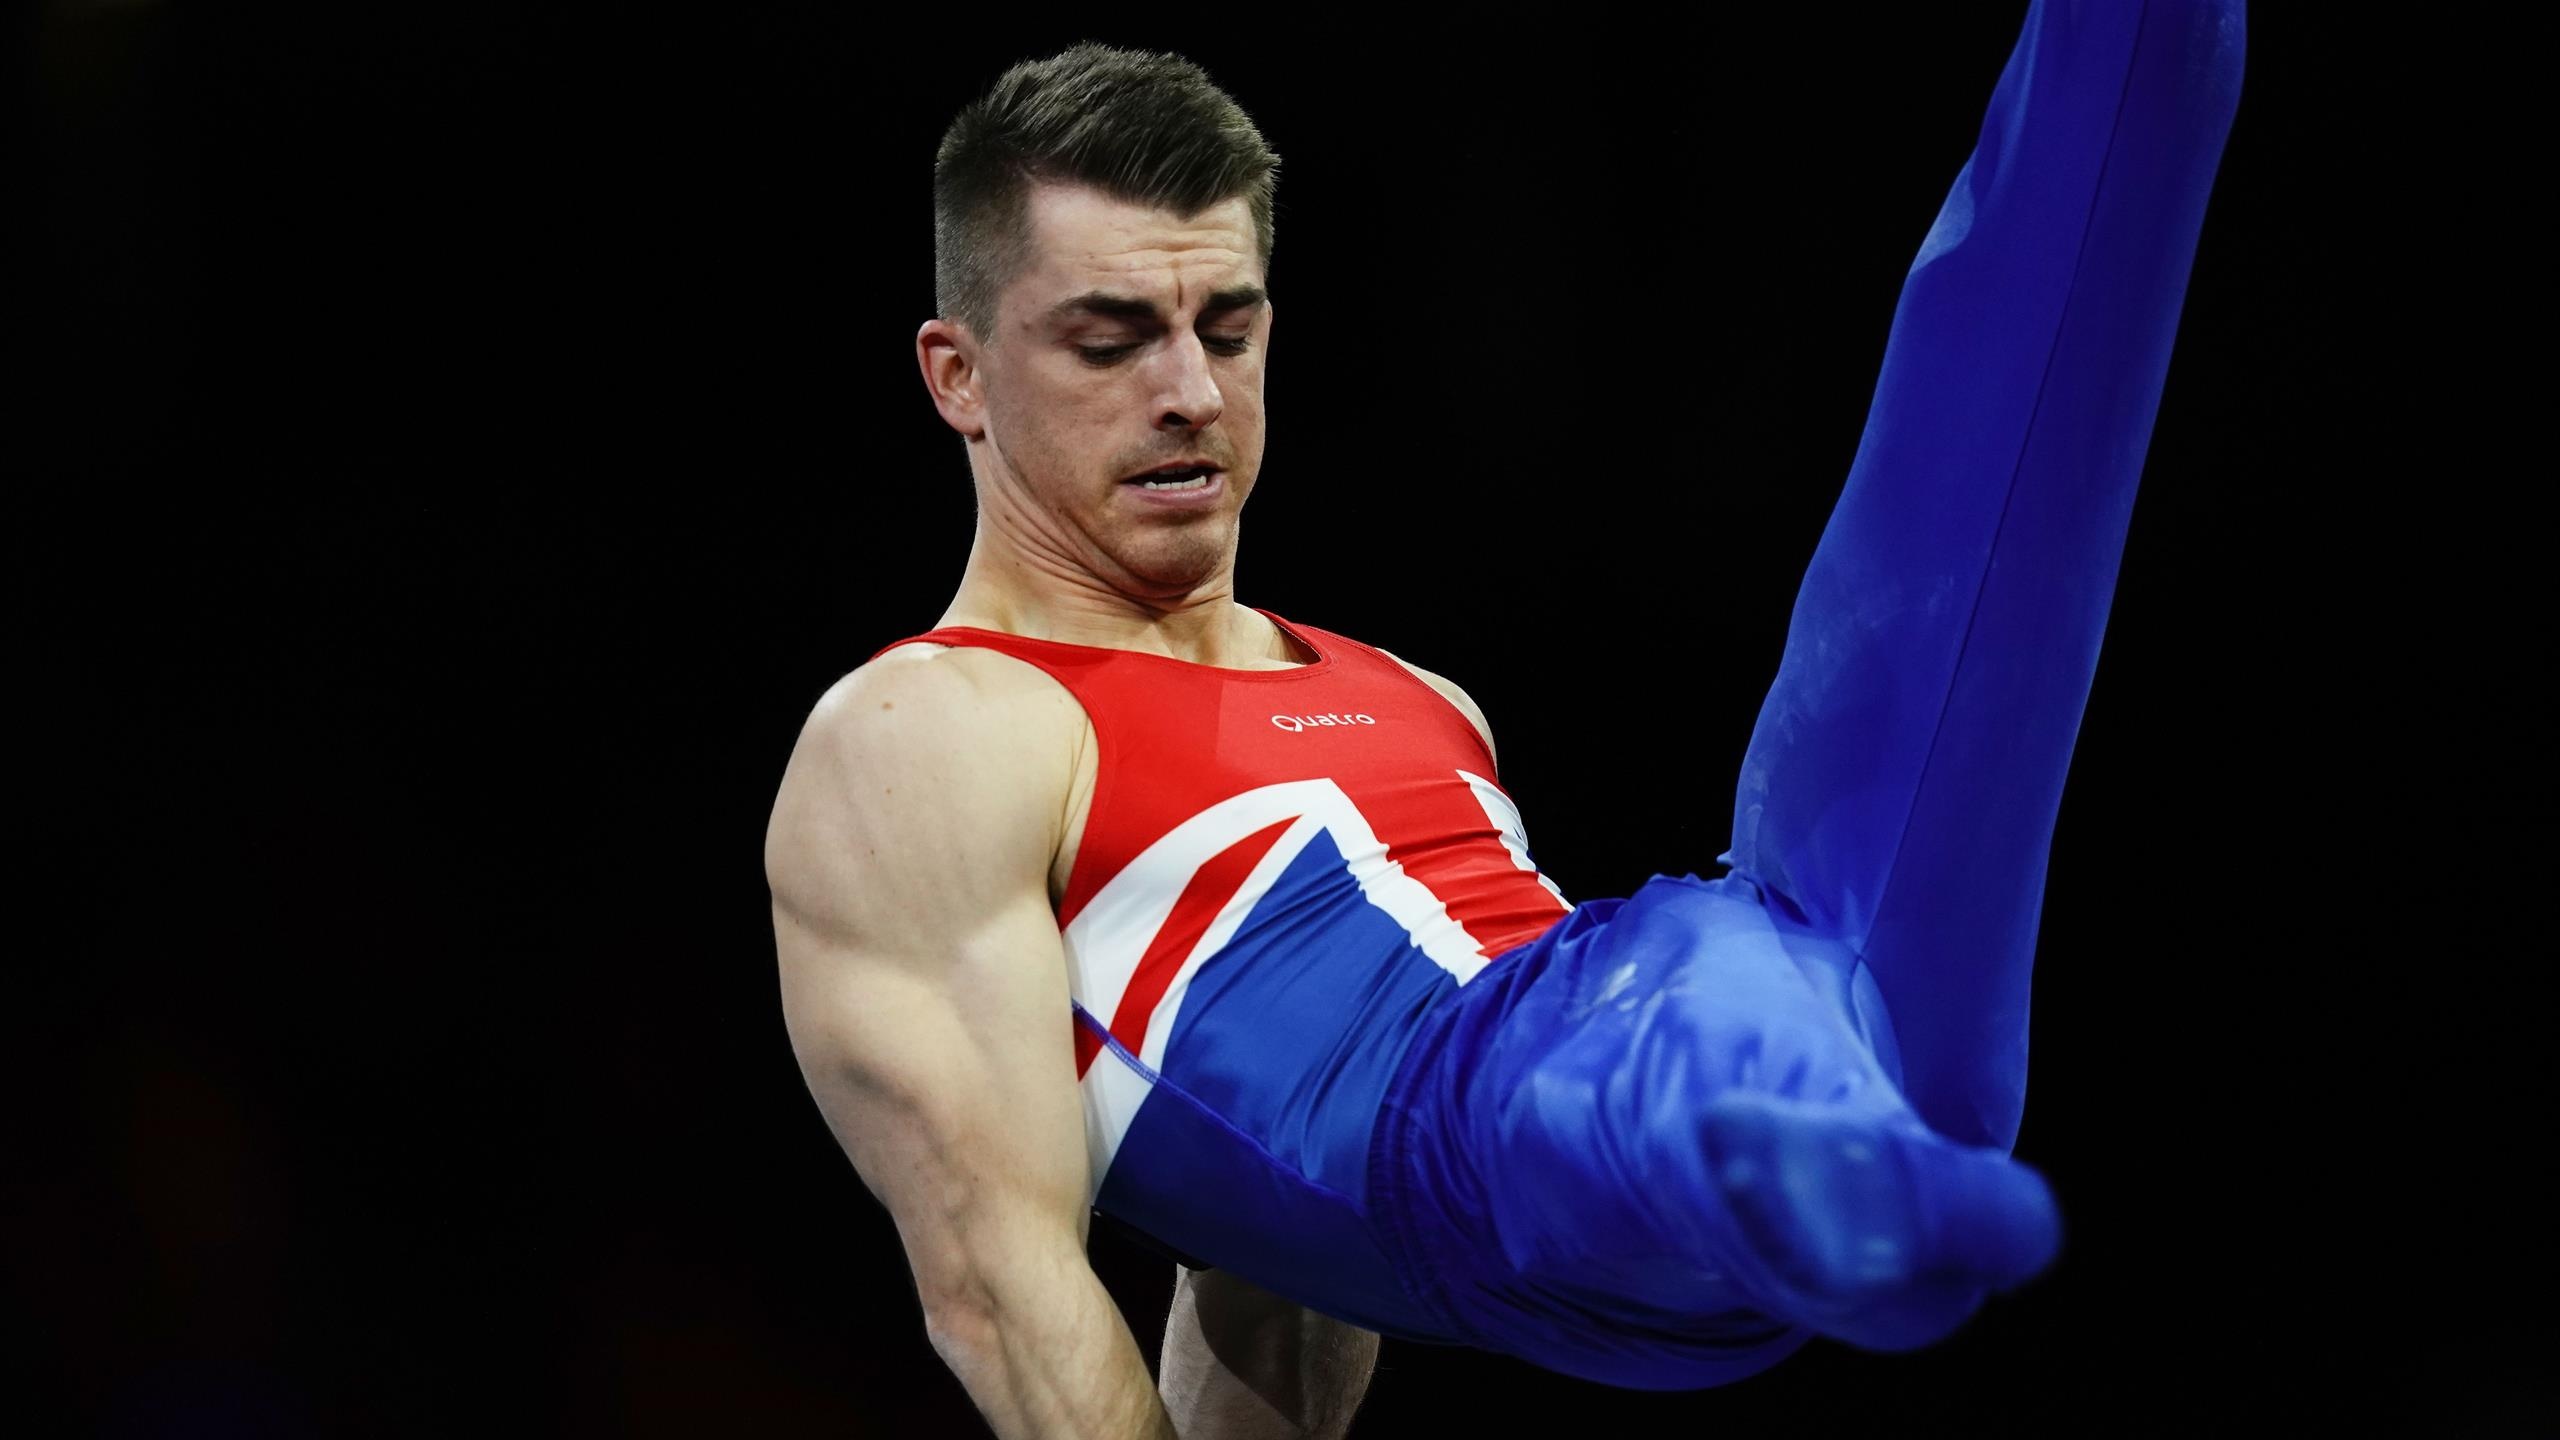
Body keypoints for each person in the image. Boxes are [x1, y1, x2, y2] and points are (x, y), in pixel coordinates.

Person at [766, 5, 2244, 1434]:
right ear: (956, 376)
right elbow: (998, 1287)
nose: (1189, 395)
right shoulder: (929, 731)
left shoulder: (1418, 701)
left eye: (1229, 328)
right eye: (1111, 340)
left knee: (1996, 502)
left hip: (1719, 1092)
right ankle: (1832, 1166)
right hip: (1531, 1127)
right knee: (1673, 1023)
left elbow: (1273, 1278)